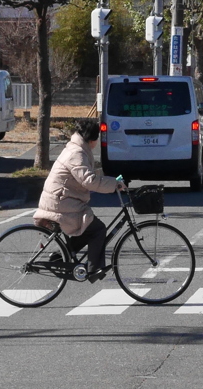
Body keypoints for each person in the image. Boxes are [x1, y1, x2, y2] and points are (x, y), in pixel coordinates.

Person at [33, 118, 125, 282]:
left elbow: (89, 175)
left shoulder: (77, 148)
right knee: (97, 229)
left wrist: (111, 181)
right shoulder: (77, 153)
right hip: (60, 203)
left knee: (88, 227)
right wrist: (114, 184)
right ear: (92, 139)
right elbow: (89, 180)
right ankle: (93, 270)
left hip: (63, 200)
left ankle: (60, 256)